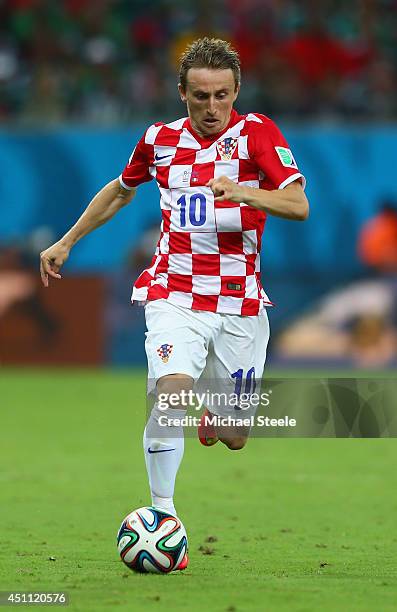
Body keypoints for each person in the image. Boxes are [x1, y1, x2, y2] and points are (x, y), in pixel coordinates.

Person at [40, 38, 309, 568]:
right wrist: (67, 240)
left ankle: (217, 416)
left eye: (223, 96)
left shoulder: (258, 134)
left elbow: (298, 204)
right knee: (171, 396)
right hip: (174, 292)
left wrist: (244, 192)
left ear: (237, 92)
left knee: (234, 434)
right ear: (181, 92)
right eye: (201, 96)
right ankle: (164, 515)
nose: (212, 109)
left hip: (240, 302)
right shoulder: (158, 141)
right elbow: (121, 189)